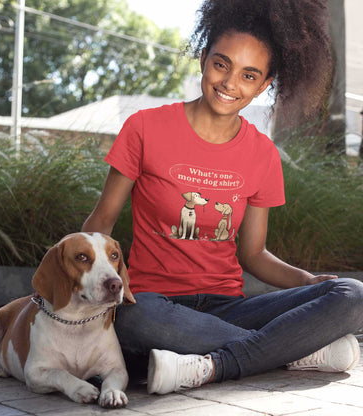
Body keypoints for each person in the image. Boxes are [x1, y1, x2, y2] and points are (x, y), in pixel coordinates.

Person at [82, 0, 363, 395]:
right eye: (221, 64)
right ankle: (292, 353)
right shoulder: (145, 127)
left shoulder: (262, 153)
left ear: (265, 84)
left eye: (249, 75)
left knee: (352, 295)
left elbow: (253, 255)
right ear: (203, 59)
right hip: (155, 302)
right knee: (133, 317)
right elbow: (101, 223)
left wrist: (307, 281)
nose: (231, 83)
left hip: (229, 305)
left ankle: (211, 364)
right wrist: (73, 282)